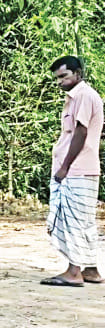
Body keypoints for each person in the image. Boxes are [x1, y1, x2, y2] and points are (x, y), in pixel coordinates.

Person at [40, 55, 103, 287]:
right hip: (79, 169)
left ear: (78, 73)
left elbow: (81, 132)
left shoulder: (84, 95)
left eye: (64, 76)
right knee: (84, 221)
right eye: (57, 78)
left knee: (72, 220)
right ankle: (91, 270)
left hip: (77, 170)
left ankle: (74, 272)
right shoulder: (77, 97)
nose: (60, 82)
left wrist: (65, 167)